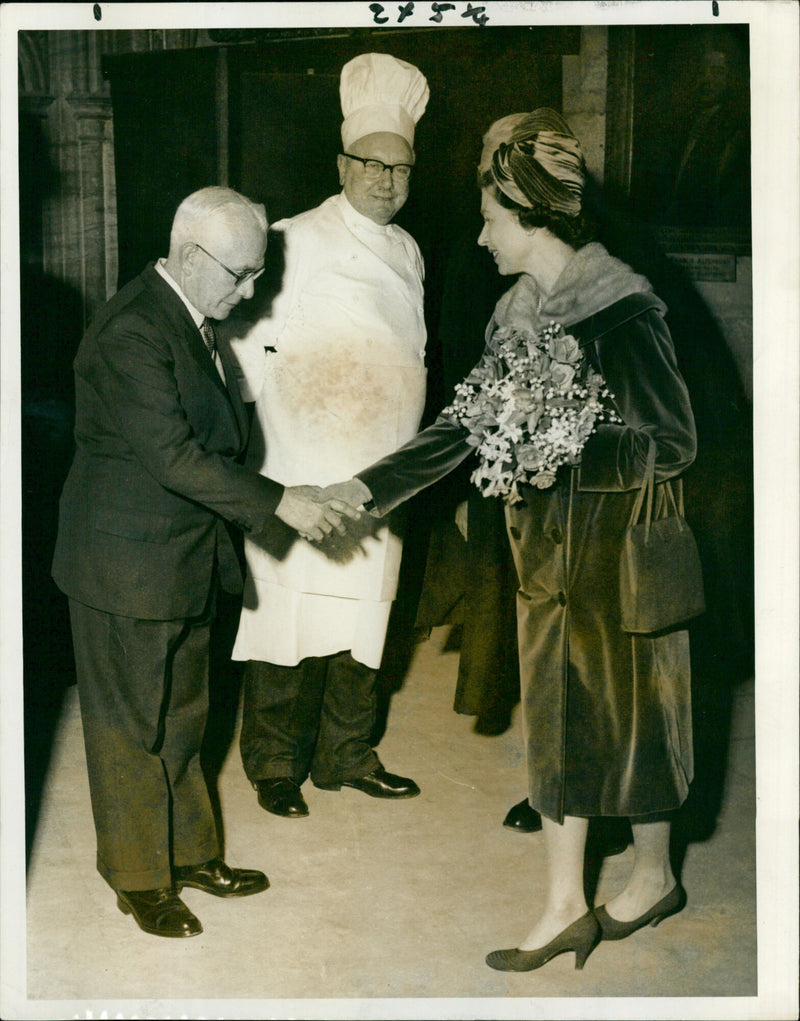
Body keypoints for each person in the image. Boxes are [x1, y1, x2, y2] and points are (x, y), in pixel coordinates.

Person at [325, 109, 697, 971]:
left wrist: (561, 432)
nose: (482, 234)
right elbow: (465, 425)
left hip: (618, 561)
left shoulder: (624, 312)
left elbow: (672, 442)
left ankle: (656, 875)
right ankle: (567, 902)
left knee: (639, 724)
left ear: (530, 218)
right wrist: (365, 487)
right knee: (563, 723)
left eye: (491, 218)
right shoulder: (518, 315)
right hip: (548, 565)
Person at [51, 186, 358, 939]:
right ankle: (137, 876)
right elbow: (176, 455)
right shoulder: (133, 330)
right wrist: (281, 502)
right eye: (241, 273)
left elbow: (220, 439)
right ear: (190, 257)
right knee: (130, 728)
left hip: (181, 555)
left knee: (184, 715)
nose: (253, 289)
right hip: (124, 564)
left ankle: (189, 854)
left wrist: (294, 483)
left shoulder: (191, 316)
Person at [223, 53, 430, 820]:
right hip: (302, 468)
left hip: (382, 473)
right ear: (342, 164)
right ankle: (275, 763)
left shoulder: (409, 251)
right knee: (289, 615)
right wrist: (258, 460)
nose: (386, 181)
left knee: (363, 616)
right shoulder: (294, 238)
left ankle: (347, 754)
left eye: (400, 168)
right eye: (372, 164)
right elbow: (245, 347)